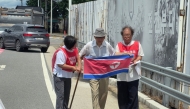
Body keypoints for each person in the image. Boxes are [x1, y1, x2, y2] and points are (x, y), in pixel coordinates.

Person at [79, 28, 115, 109]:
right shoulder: (89, 45)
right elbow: (80, 55)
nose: (100, 39)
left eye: (101, 37)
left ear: (104, 37)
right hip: (93, 74)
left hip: (104, 73)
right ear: (94, 37)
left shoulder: (107, 45)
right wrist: (80, 65)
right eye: (98, 37)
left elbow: (114, 55)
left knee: (103, 93)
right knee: (95, 93)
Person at [115, 25, 144, 109]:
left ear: (132, 35)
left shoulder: (137, 44)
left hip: (133, 76)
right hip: (122, 76)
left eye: (128, 35)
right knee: (122, 99)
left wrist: (136, 60)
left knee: (133, 98)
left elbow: (140, 55)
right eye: (125, 35)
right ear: (122, 35)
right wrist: (124, 53)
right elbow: (116, 54)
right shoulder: (119, 45)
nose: (127, 37)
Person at [52, 35, 81, 109]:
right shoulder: (61, 52)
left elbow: (78, 57)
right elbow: (61, 65)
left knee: (66, 95)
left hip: (68, 75)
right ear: (69, 45)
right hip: (59, 76)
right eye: (74, 44)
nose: (76, 45)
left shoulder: (74, 49)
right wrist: (73, 67)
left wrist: (79, 66)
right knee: (61, 95)